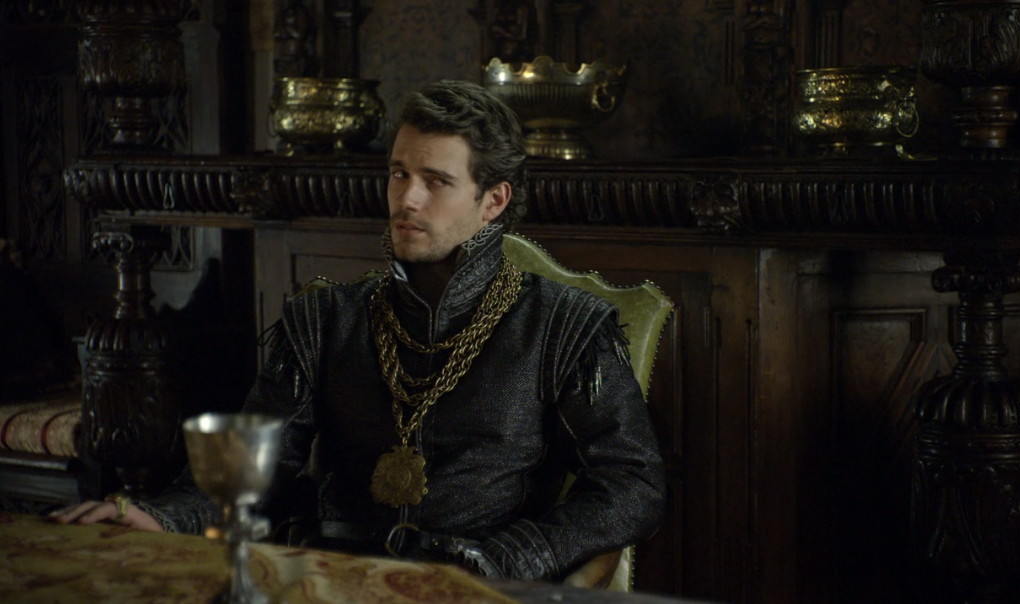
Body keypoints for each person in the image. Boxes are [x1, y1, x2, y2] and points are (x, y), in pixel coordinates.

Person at [51, 79, 665, 582]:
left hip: (475, 588)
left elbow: (633, 484)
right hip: (330, 579)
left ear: (494, 201)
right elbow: (259, 467)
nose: (407, 199)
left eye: (436, 181)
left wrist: (508, 559)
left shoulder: (564, 325)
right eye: (398, 173)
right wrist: (160, 517)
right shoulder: (325, 319)